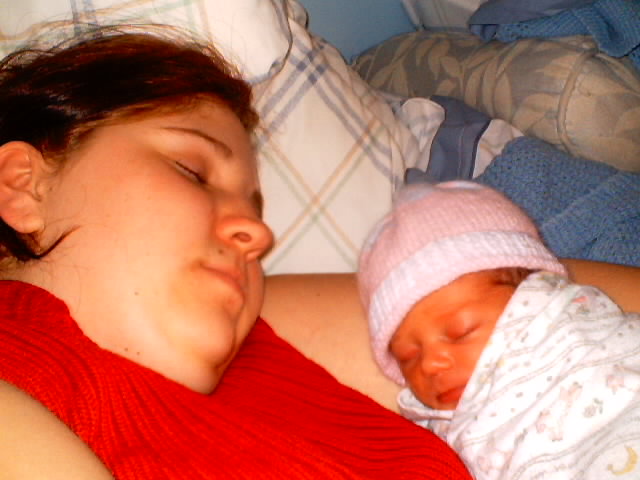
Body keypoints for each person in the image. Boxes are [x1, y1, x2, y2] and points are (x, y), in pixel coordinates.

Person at [0, 25, 474, 479]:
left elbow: (506, 316)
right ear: (22, 186)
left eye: (254, 207)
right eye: (192, 172)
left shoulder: (261, 347)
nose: (259, 233)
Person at [356, 180, 640, 480]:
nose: (429, 365)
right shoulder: (433, 438)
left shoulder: (579, 336)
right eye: (408, 357)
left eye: (461, 332)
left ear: (535, 296)